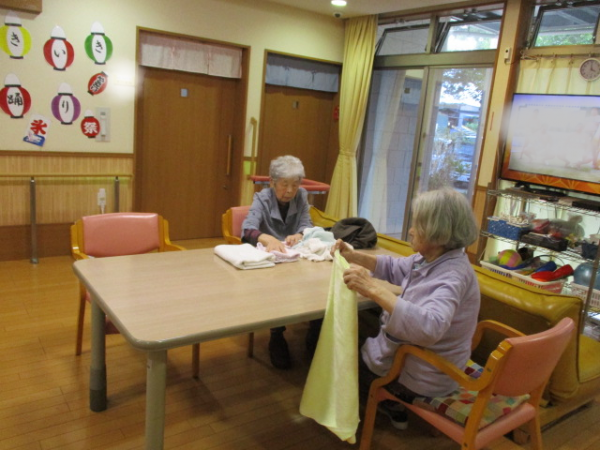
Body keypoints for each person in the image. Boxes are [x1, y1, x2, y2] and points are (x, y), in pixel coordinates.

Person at [332, 188, 480, 430]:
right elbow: (395, 267)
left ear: (437, 231)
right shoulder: (434, 257)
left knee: (341, 349)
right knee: (358, 330)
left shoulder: (452, 276)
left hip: (424, 375)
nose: (411, 230)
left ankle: (390, 402)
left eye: (417, 225)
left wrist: (372, 288)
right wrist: (354, 256)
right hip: (426, 360)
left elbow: (430, 327)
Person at [242, 155, 321, 369]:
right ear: (272, 182)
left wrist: (299, 234)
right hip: (272, 262)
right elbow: (248, 229)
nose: (289, 191)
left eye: (295, 185)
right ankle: (276, 336)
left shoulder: (301, 195)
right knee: (276, 288)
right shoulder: (262, 198)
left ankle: (315, 335)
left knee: (318, 283)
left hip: (296, 257)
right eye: (284, 184)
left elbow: (306, 224)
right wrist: (267, 238)